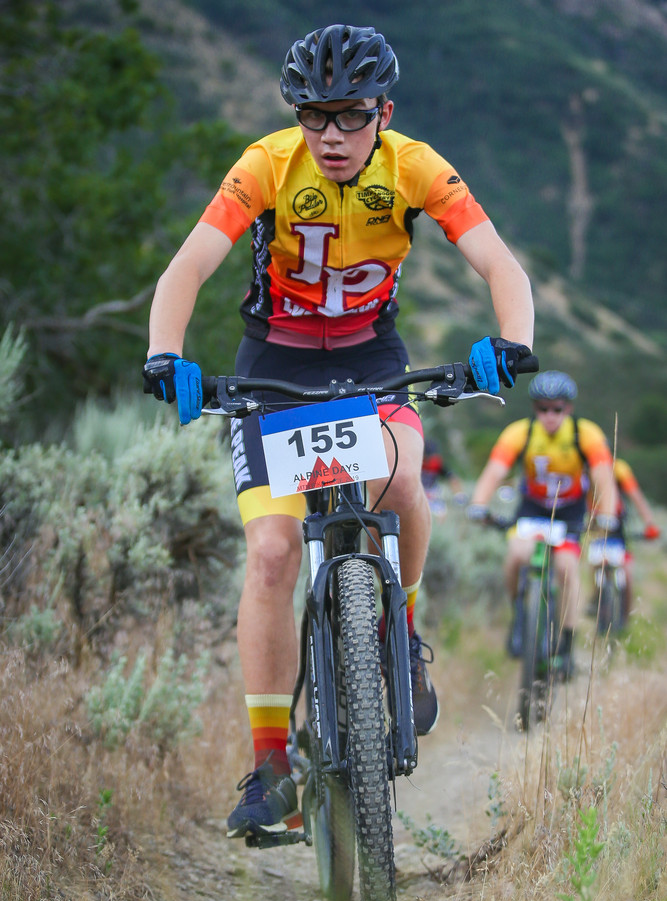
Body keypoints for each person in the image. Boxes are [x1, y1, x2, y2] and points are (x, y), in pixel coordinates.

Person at [142, 24, 534, 839]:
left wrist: (510, 342)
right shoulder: (265, 164)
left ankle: (404, 634)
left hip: (369, 361)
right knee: (272, 552)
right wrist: (165, 354)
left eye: (350, 115)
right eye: (313, 115)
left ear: (381, 113)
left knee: (402, 480)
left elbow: (499, 264)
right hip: (272, 367)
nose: (330, 135)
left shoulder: (415, 167)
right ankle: (271, 765)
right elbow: (188, 266)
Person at [467, 370, 617, 677]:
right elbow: (494, 471)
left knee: (567, 568)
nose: (550, 416)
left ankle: (567, 644)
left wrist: (608, 514)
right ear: (534, 408)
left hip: (569, 511)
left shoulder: (586, 434)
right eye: (543, 408)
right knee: (516, 555)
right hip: (532, 507)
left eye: (557, 409)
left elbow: (604, 478)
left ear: (568, 408)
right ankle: (520, 615)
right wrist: (478, 504)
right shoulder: (519, 433)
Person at [586, 456, 661, 616]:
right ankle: (596, 599)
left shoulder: (620, 469)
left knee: (627, 574)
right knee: (595, 563)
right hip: (595, 524)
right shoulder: (583, 468)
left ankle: (625, 616)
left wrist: (650, 524)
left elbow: (636, 497)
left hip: (619, 525)